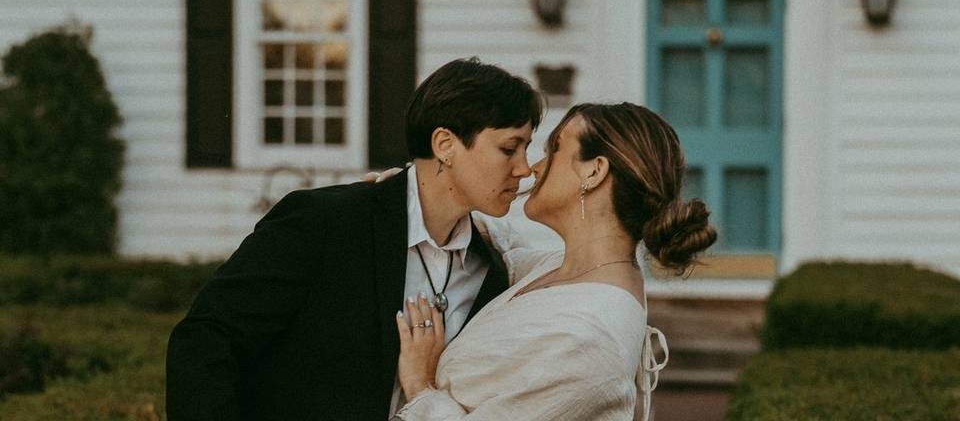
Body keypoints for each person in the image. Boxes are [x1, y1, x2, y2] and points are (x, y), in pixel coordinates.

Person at [165, 58, 543, 421]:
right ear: (445, 144)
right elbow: (205, 341)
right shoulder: (326, 221)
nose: (523, 168)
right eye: (509, 148)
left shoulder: (491, 270)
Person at [390, 103, 718, 421]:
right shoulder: (563, 269)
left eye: (555, 149)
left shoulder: (588, 338)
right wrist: (419, 195)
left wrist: (421, 386)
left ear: (594, 170)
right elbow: (502, 247)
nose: (533, 167)